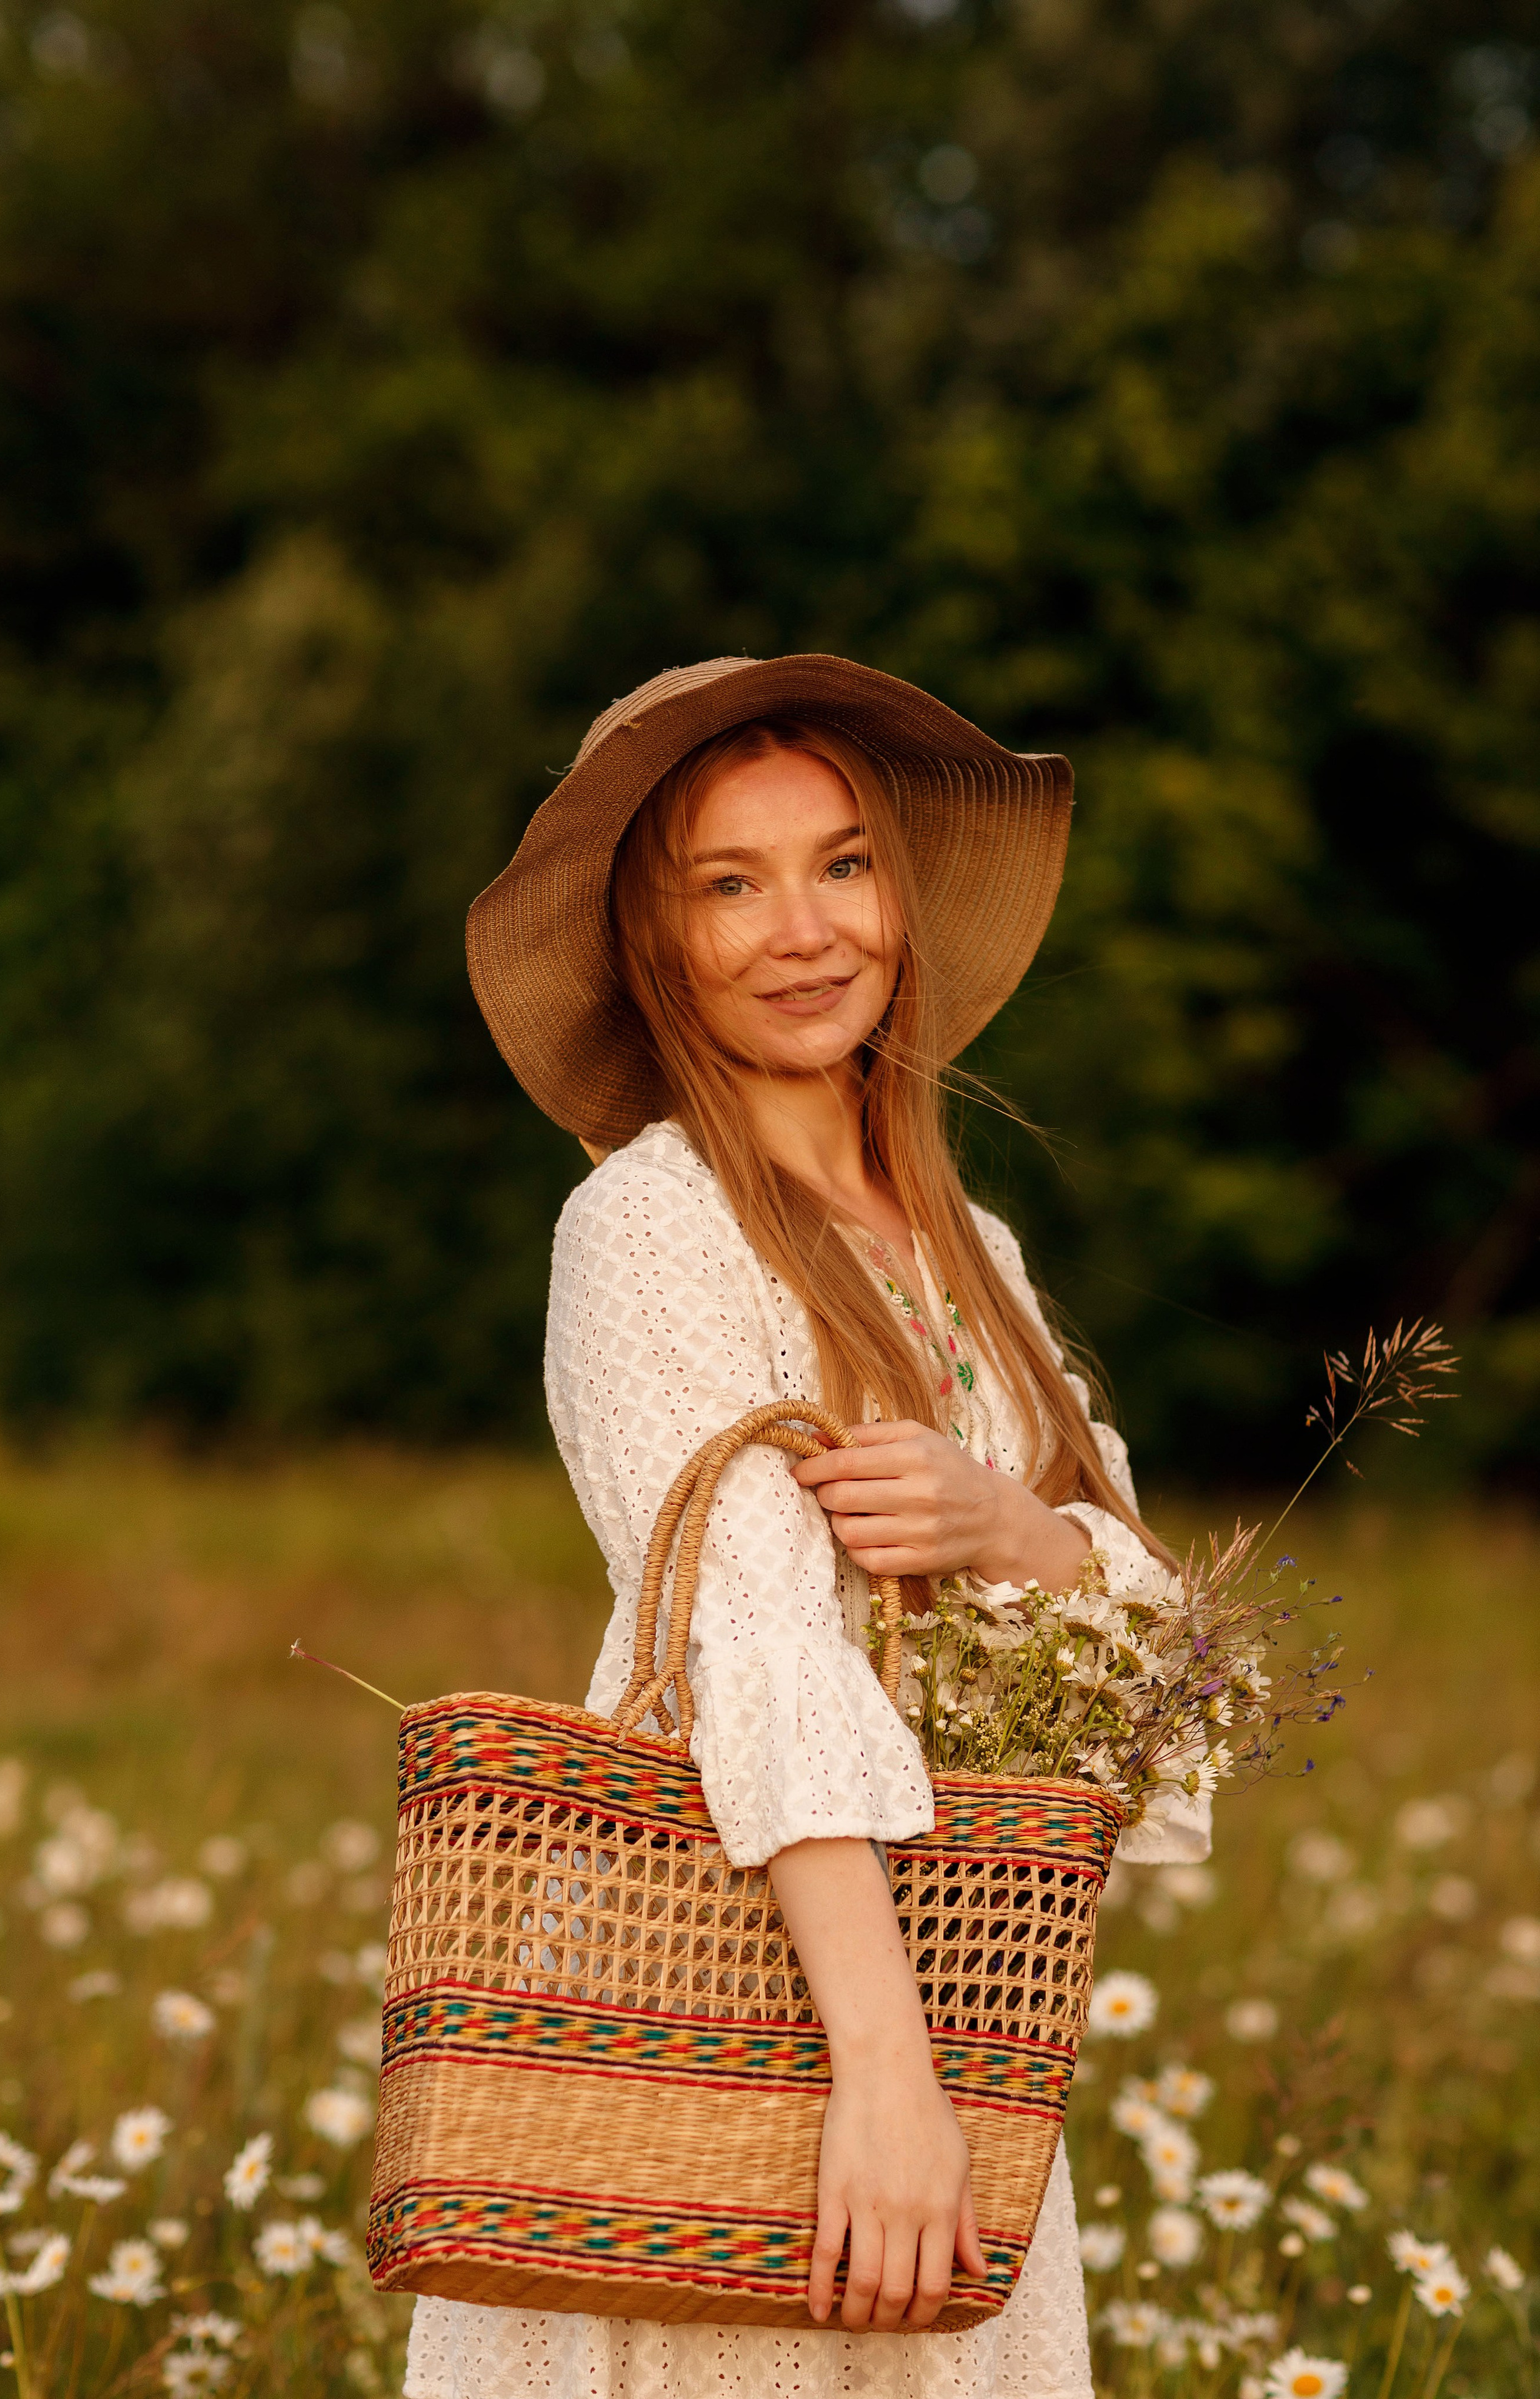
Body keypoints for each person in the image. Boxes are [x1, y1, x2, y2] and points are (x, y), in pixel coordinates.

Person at [404, 655, 1209, 2399]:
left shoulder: (969, 1246)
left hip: (975, 2005)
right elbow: (756, 1637)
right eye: (730, 883)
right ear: (658, 943)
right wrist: (883, 2072)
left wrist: (1011, 1527)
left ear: (899, 905)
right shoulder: (651, 1230)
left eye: (842, 864)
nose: (804, 929)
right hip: (737, 2002)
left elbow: (1156, 1643)